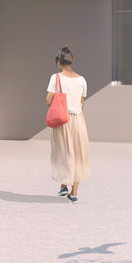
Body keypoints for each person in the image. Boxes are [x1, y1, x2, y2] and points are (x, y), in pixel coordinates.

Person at [47, 46, 90, 201]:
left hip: (62, 120)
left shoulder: (56, 78)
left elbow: (48, 100)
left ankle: (63, 186)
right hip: (79, 120)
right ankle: (74, 193)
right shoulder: (82, 79)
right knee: (78, 154)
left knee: (63, 152)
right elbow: (81, 103)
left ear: (59, 62)